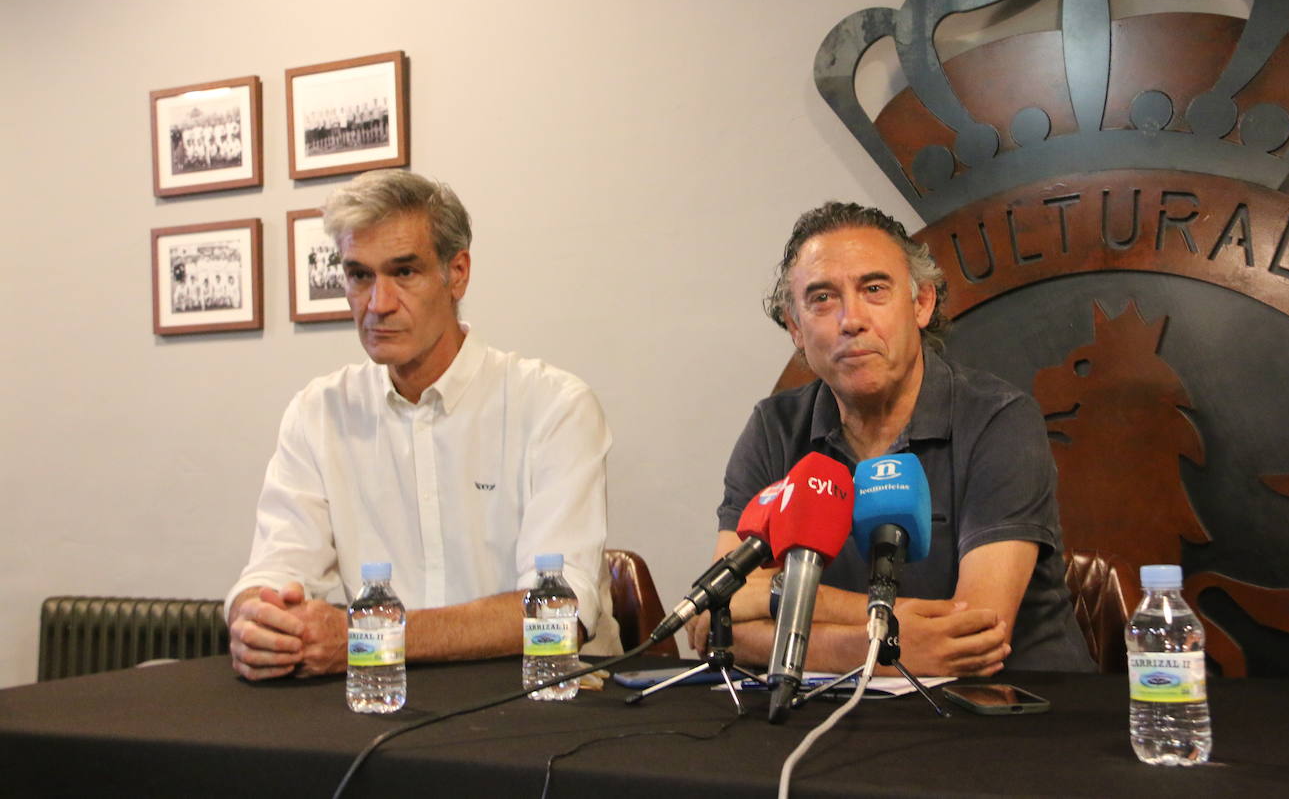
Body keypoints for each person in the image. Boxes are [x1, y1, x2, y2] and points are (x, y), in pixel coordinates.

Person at [226, 170, 618, 680]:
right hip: (383, 699)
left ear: (457, 273)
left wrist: (366, 637)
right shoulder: (318, 412)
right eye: (359, 275)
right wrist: (257, 618)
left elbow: (558, 614)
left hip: (545, 705)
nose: (378, 304)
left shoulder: (554, 406)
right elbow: (276, 570)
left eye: (404, 272)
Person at [698, 202, 1093, 676]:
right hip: (834, 714)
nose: (851, 319)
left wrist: (777, 597)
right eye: (822, 298)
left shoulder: (999, 420)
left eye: (874, 289)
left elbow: (973, 638)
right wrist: (888, 635)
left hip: (1012, 716)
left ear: (921, 304)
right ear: (795, 328)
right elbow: (709, 621)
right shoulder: (774, 427)